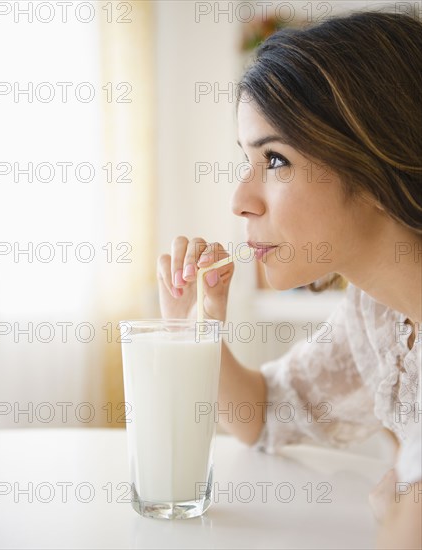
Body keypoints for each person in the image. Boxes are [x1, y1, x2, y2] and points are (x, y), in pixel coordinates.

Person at [156, 10, 421, 549]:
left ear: (374, 160)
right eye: (246, 160)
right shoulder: (380, 316)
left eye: (274, 159)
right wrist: (199, 331)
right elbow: (264, 416)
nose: (239, 200)